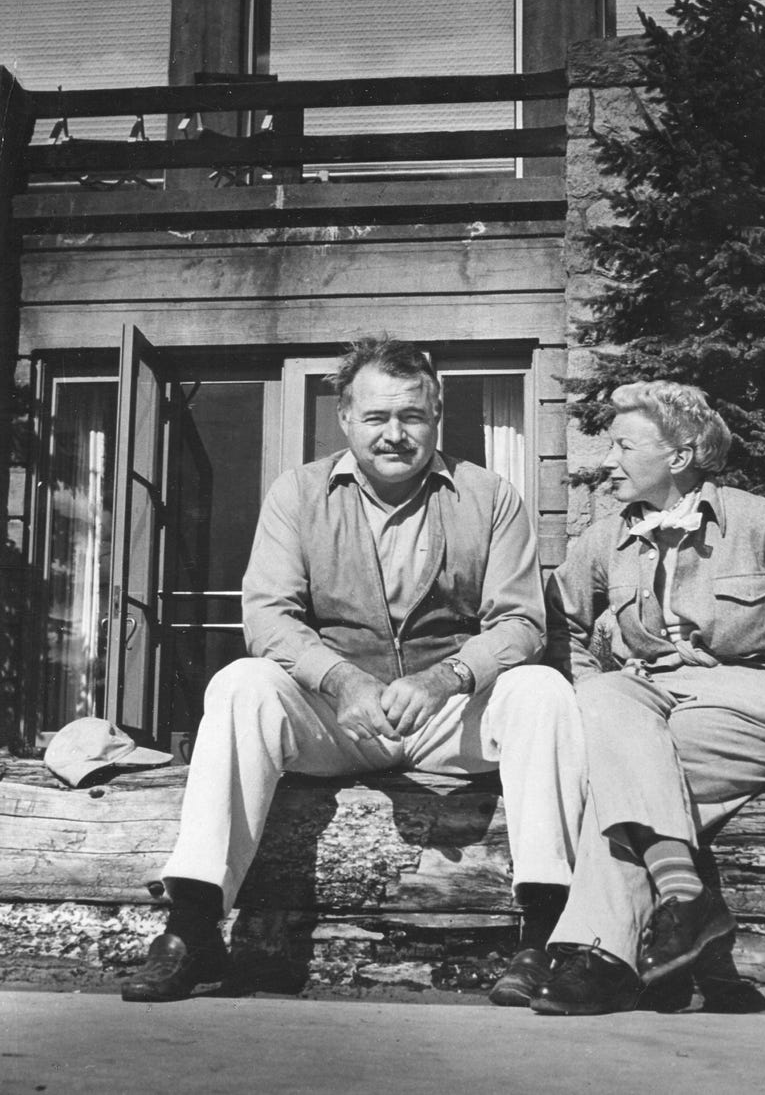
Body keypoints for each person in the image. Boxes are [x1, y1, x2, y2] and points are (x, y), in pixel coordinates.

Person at [121, 337, 586, 1006]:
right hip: (337, 719)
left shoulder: (491, 497)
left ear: (437, 414)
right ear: (346, 418)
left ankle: (547, 935)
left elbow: (521, 624)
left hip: (449, 717)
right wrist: (344, 682)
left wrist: (443, 679)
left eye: (413, 416)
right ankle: (193, 926)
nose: (395, 434)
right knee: (241, 682)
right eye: (377, 417)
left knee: (542, 689)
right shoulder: (299, 493)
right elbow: (269, 617)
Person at [527, 380, 765, 1016]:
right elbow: (557, 624)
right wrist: (587, 680)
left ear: (677, 455)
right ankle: (685, 899)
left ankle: (600, 954)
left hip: (743, 706)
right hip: (647, 699)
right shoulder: (603, 541)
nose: (608, 461)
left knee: (619, 779)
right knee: (606, 700)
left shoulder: (759, 521)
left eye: (622, 446)